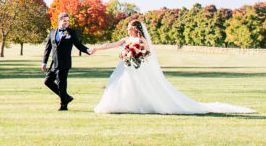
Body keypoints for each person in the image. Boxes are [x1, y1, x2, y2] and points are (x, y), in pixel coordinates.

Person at [90, 18, 256, 115]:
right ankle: (121, 105)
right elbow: (112, 44)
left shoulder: (142, 41)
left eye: (130, 29)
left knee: (142, 87)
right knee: (118, 84)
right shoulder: (126, 40)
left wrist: (137, 54)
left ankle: (143, 105)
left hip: (139, 68)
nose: (127, 31)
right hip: (126, 67)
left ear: (135, 29)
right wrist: (98, 48)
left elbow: (148, 54)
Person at [41, 12, 92, 110]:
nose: (67, 23)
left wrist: (87, 50)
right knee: (47, 81)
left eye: (68, 21)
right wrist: (44, 62)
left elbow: (78, 45)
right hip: (53, 63)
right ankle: (67, 97)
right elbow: (48, 48)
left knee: (61, 84)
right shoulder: (52, 32)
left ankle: (63, 105)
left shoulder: (71, 33)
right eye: (64, 21)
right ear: (59, 21)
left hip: (64, 63)